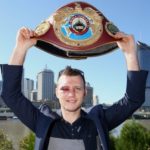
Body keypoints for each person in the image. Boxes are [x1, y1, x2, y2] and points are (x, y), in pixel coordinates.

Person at [0, 27, 148, 150]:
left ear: (85, 93)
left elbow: (133, 99)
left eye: (77, 88)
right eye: (64, 88)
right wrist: (20, 48)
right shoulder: (42, 120)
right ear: (56, 92)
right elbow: (11, 95)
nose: (71, 93)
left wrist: (130, 54)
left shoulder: (98, 120)